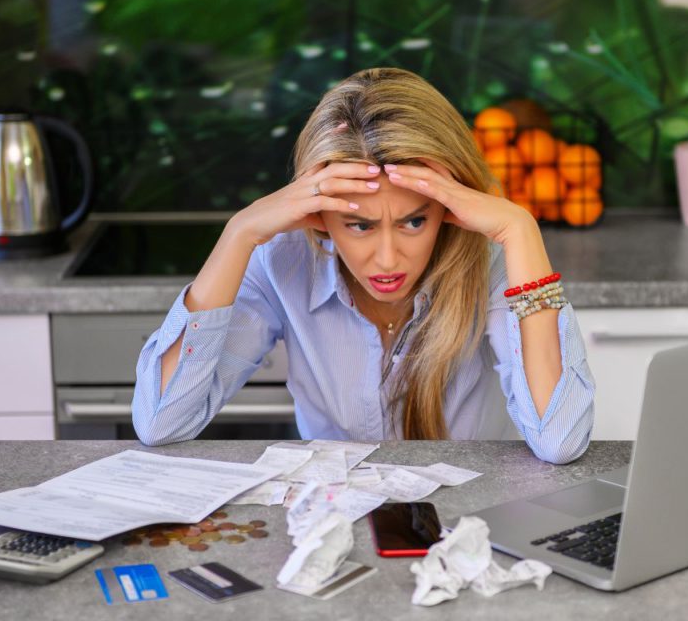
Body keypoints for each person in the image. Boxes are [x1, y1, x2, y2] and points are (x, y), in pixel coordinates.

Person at [132, 67, 595, 464]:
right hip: (331, 527)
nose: (388, 258)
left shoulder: (492, 262)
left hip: (467, 529)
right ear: (319, 215)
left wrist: (520, 227)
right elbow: (161, 424)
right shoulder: (283, 260)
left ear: (447, 208)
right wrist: (239, 234)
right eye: (358, 225)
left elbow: (559, 441)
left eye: (415, 220)